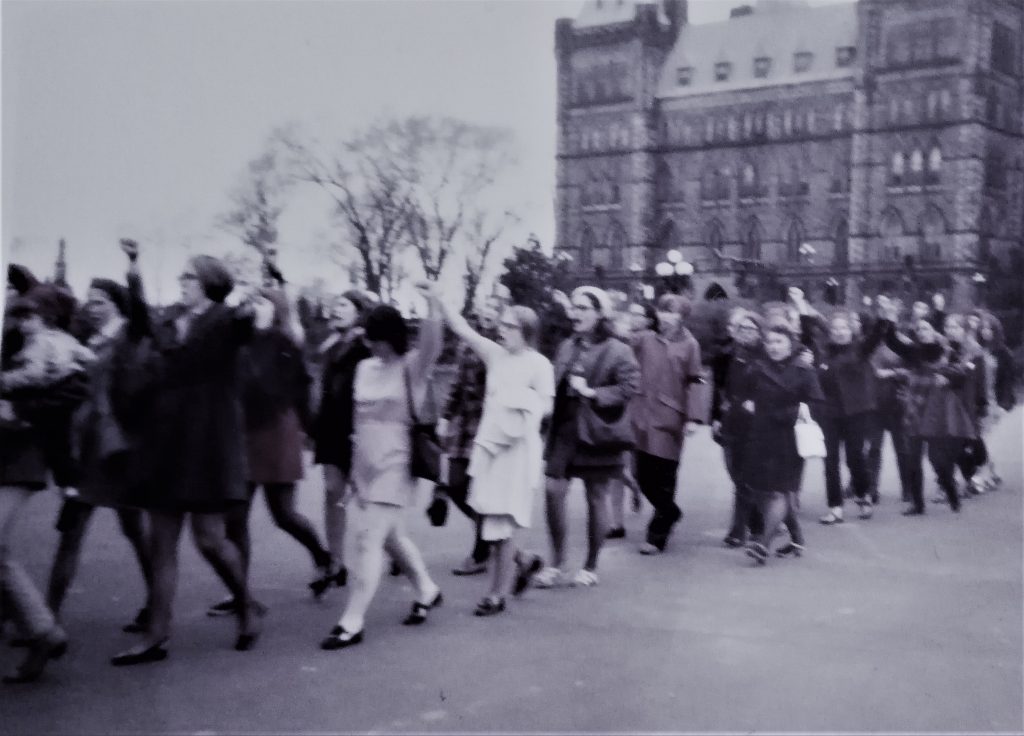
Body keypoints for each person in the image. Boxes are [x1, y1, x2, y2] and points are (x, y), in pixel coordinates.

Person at [110, 250, 264, 666]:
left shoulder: (224, 319)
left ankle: (247, 603)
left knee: (210, 539)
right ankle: (156, 634)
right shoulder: (173, 318)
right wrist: (135, 273)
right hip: (166, 442)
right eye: (181, 275)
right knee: (162, 543)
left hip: (206, 443)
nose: (182, 281)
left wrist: (252, 307)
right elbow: (141, 323)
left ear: (210, 283)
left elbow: (243, 326)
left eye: (189, 276)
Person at [320, 290, 443, 650]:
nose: (371, 346)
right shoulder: (363, 367)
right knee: (390, 537)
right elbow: (355, 421)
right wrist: (354, 475)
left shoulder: (413, 366)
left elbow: (433, 342)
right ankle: (426, 589)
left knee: (367, 540)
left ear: (393, 338)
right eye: (368, 339)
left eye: (377, 340)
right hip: (365, 463)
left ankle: (351, 621)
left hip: (397, 460)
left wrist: (432, 305)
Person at [45, 249, 155, 634]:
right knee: (79, 532)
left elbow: (142, 317)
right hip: (88, 448)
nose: (92, 307)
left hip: (115, 451)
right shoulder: (87, 342)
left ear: (117, 305)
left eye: (100, 302)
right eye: (89, 301)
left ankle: (45, 623)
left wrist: (134, 271)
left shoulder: (128, 335)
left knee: (130, 528)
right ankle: (45, 620)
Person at [210, 286, 332, 617]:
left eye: (261, 300)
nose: (253, 305)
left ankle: (323, 557)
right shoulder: (238, 340)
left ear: (276, 308)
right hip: (243, 433)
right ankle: (241, 594)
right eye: (250, 300)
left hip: (277, 431)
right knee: (236, 517)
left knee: (283, 514)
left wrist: (313, 431)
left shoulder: (284, 343)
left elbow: (291, 389)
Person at [431, 288, 554, 615]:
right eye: (502, 324)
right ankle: (520, 568)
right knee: (489, 516)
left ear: (526, 331)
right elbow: (461, 329)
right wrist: (439, 299)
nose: (502, 329)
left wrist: (519, 411)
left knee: (504, 522)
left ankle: (496, 594)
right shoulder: (494, 354)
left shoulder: (539, 364)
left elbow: (545, 405)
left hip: (517, 450)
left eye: (510, 326)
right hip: (490, 448)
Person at [531, 286, 640, 589]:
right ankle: (556, 562)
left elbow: (630, 387)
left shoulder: (619, 349)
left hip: (596, 431)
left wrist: (594, 393)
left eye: (583, 308)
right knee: (553, 492)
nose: (575, 313)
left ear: (600, 314)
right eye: (574, 307)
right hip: (564, 430)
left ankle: (591, 565)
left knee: (596, 498)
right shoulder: (567, 345)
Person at [0, 294, 84, 683]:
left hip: (20, 456)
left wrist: (20, 411)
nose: (17, 322)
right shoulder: (14, 340)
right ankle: (39, 633)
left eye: (24, 315)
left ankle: (41, 631)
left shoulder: (54, 346)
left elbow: (72, 390)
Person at [791, 288, 885, 525]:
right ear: (830, 333)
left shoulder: (860, 350)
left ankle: (863, 495)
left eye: (844, 329)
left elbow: (876, 337)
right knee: (829, 461)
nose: (840, 333)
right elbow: (806, 334)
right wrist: (800, 303)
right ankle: (835, 507)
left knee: (855, 458)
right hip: (829, 413)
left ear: (850, 331)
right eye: (835, 330)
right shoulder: (822, 352)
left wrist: (885, 314)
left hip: (857, 412)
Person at [876, 296, 974, 516]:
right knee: (912, 458)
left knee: (938, 459)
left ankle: (951, 492)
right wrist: (890, 317)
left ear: (934, 330)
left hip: (938, 410)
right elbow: (892, 340)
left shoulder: (946, 350)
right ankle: (917, 504)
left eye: (926, 328)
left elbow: (962, 372)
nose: (922, 332)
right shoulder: (912, 350)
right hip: (914, 408)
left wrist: (948, 377)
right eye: (919, 329)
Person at [737, 320, 824, 564]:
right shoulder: (757, 368)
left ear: (791, 343)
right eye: (769, 342)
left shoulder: (803, 370)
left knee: (778, 491)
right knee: (760, 490)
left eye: (779, 341)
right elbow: (742, 392)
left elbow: (816, 404)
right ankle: (796, 537)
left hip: (789, 437)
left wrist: (785, 414)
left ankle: (763, 544)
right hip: (760, 435)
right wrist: (746, 403)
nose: (773, 346)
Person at [432, 297, 502, 576]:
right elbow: (457, 385)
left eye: (493, 310)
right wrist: (445, 416)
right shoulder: (467, 345)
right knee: (457, 485)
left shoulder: (502, 346)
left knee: (482, 492)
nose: (487, 314)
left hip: (491, 427)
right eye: (484, 310)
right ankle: (492, 538)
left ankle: (481, 552)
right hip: (465, 428)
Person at [629, 294, 702, 555]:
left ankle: (657, 535)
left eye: (672, 312)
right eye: (662, 311)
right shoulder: (646, 339)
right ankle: (671, 511)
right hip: (641, 412)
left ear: (682, 317)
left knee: (664, 475)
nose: (666, 317)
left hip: (670, 415)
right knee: (639, 473)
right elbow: (623, 350)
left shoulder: (690, 344)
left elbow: (695, 381)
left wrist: (694, 417)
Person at [310, 290, 373, 591]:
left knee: (368, 497)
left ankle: (397, 553)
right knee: (332, 491)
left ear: (358, 313)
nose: (336, 310)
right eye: (334, 305)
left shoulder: (365, 345)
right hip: (331, 429)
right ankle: (336, 562)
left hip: (358, 429)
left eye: (343, 305)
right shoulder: (332, 346)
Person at [713, 308, 766, 547]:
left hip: (756, 424)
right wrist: (715, 416)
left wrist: (759, 401)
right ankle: (759, 523)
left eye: (751, 328)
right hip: (731, 421)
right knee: (736, 475)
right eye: (742, 328)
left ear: (760, 332)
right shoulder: (728, 355)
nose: (746, 333)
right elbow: (719, 389)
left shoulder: (766, 356)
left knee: (746, 477)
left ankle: (740, 530)